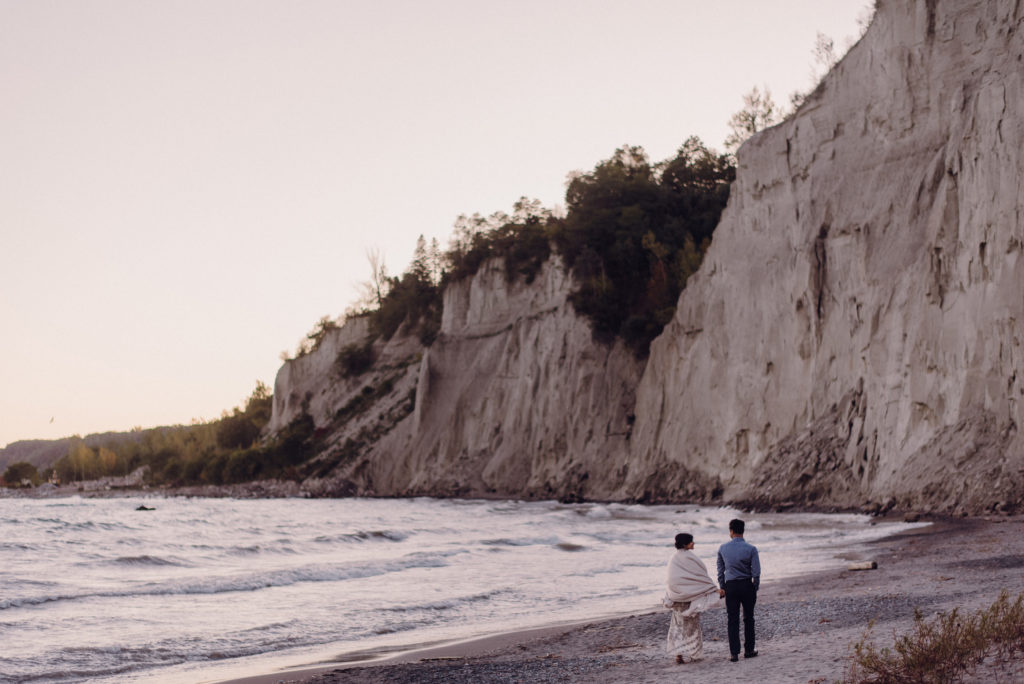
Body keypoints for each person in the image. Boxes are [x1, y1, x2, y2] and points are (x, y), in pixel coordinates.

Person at [663, 532, 723, 664]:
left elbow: (671, 579)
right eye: (691, 541)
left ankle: (678, 655)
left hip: (677, 598)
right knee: (692, 627)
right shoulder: (690, 557)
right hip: (690, 599)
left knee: (677, 626)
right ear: (685, 544)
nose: (693, 543)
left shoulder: (673, 558)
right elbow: (701, 577)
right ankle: (694, 654)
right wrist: (714, 589)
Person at [717, 518, 761, 662]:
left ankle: (734, 653)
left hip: (731, 586)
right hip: (746, 585)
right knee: (749, 618)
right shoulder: (751, 549)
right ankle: (749, 650)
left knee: (732, 619)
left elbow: (720, 570)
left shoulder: (723, 548)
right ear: (743, 530)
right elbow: (756, 572)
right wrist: (755, 587)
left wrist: (722, 586)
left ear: (731, 531)